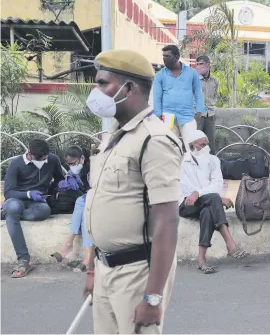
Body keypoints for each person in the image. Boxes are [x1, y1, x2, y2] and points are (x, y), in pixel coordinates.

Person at [83, 49, 183, 334]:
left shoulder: (155, 139)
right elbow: (97, 203)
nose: (96, 91)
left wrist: (153, 297)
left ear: (129, 89)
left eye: (103, 83)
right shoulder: (114, 136)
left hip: (137, 271)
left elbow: (167, 220)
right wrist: (92, 269)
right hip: (105, 268)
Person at [179, 130, 248, 274]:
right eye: (201, 145)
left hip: (205, 202)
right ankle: (230, 243)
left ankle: (201, 260)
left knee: (207, 213)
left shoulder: (213, 160)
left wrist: (199, 193)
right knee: (214, 199)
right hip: (186, 205)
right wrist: (207, 195)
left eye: (206, 144)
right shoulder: (183, 162)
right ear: (191, 146)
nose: (205, 147)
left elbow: (217, 185)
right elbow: (187, 192)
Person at [2, 139, 65, 278]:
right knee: (12, 207)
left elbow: (59, 179)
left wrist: (65, 182)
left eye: (45, 158)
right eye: (40, 159)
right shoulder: (16, 164)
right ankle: (24, 259)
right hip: (17, 199)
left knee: (44, 211)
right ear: (30, 154)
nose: (43, 161)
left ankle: (7, 214)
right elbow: (9, 192)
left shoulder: (52, 160)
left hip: (37, 203)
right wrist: (28, 194)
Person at [153, 44, 206, 147]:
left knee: (192, 147)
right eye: (163, 56)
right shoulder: (160, 75)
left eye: (168, 56)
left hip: (187, 116)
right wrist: (158, 114)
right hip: (167, 117)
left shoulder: (192, 73)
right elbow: (157, 96)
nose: (164, 59)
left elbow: (198, 93)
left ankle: (191, 163)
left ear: (177, 57)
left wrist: (199, 111)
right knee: (169, 147)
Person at [51, 146, 94, 272]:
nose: (71, 166)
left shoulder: (91, 168)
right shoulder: (74, 172)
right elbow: (67, 178)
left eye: (73, 163)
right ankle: (88, 258)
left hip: (98, 199)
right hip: (87, 204)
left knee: (81, 202)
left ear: (82, 159)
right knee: (84, 217)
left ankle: (68, 242)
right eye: (68, 164)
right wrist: (68, 180)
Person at [195, 55, 219, 152]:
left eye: (201, 64)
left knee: (211, 145)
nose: (199, 66)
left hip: (210, 115)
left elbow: (214, 97)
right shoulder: (195, 80)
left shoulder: (214, 81)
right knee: (197, 144)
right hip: (198, 116)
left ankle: (211, 165)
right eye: (197, 64)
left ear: (208, 64)